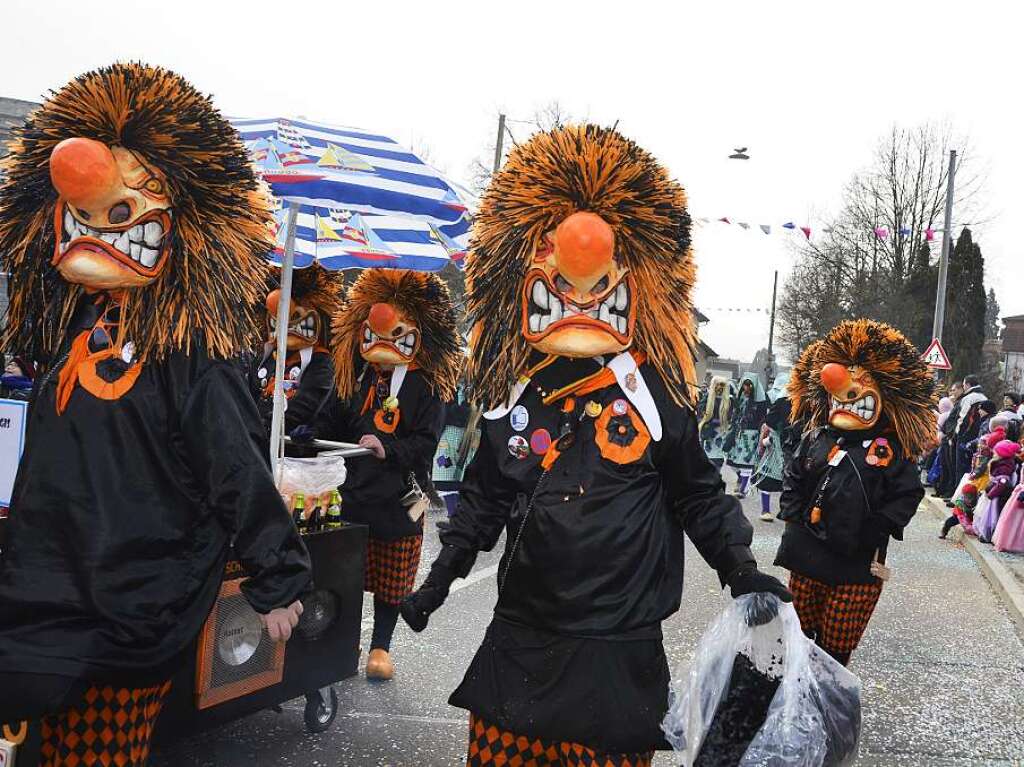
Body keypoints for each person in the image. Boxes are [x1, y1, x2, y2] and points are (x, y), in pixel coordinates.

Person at [399, 124, 791, 765]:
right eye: (563, 287)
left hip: (619, 652)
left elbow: (697, 494)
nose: (578, 302)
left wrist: (740, 570)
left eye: (596, 288)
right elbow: (485, 498)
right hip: (523, 642)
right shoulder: (518, 393)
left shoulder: (655, 392)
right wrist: (437, 582)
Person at [0, 63, 310, 762]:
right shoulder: (73, 322)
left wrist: (279, 572)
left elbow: (233, 463)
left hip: (128, 601)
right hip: (46, 590)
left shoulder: (194, 351)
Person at [316, 268, 461, 681]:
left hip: (399, 502)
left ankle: (381, 645)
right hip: (351, 497)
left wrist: (388, 448)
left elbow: (426, 444)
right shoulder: (353, 379)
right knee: (345, 575)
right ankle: (347, 640)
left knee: (392, 582)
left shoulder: (428, 386)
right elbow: (328, 421)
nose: (381, 345)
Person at [778, 319, 934, 666]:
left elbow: (909, 493)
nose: (844, 389)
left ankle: (829, 703)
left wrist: (880, 525)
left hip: (856, 563)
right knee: (798, 639)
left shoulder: (892, 450)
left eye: (861, 380)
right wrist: (792, 515)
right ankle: (793, 703)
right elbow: (793, 476)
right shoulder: (816, 437)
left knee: (835, 648)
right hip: (806, 557)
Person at [250, 263, 341, 451]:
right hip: (256, 447)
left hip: (289, 453)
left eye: (295, 317)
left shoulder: (320, 362)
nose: (287, 325)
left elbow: (305, 404)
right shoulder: (265, 357)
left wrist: (263, 427)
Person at [752, 372, 794, 522]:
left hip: (777, 442)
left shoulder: (781, 399)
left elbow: (770, 421)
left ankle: (766, 510)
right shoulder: (799, 401)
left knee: (768, 477)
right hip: (790, 445)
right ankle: (784, 510)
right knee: (790, 480)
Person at [724, 373, 769, 497]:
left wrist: (760, 432)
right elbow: (735, 412)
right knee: (733, 461)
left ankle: (744, 488)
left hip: (751, 434)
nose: (747, 387)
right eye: (745, 384)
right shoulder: (740, 396)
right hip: (738, 432)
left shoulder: (761, 400)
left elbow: (763, 417)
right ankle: (743, 482)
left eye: (749, 384)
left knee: (746, 461)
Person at [698, 375, 734, 467]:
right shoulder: (707, 397)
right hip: (708, 431)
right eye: (717, 385)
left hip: (721, 431)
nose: (719, 387)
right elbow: (700, 410)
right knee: (707, 457)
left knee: (718, 458)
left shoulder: (728, 400)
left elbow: (730, 415)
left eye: (722, 385)